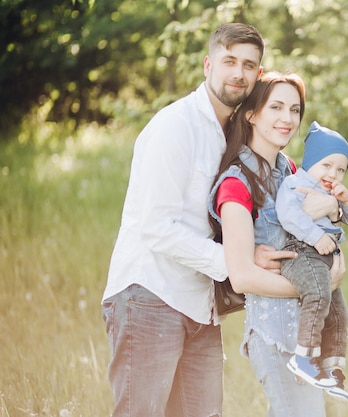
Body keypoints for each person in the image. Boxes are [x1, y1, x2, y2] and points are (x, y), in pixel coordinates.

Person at [101, 23, 286, 417]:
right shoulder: (175, 126)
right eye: (229, 61)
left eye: (249, 65)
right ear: (208, 65)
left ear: (257, 74)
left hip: (201, 306)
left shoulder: (237, 134)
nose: (239, 73)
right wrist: (238, 261)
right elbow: (156, 228)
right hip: (149, 293)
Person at [208, 71, 346, 417]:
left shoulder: (291, 171)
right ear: (252, 113)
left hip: (304, 330)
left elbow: (324, 220)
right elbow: (242, 278)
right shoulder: (237, 183)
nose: (288, 119)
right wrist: (321, 286)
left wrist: (336, 207)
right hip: (274, 332)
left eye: (295, 110)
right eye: (277, 107)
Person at [276, 121, 348, 403]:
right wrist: (315, 237)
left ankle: (333, 368)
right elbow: (288, 216)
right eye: (327, 165)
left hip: (324, 257)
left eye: (340, 169)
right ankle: (304, 357)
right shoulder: (295, 183)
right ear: (311, 161)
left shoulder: (332, 192)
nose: (333, 174)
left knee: (338, 313)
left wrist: (346, 199)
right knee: (317, 294)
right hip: (301, 250)